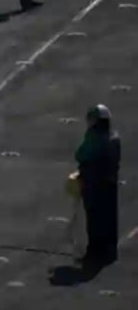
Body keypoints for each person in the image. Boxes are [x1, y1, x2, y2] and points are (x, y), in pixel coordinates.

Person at [74, 104, 121, 267]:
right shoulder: (114, 137)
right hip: (110, 183)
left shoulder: (94, 137)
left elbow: (81, 154)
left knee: (94, 220)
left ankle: (94, 253)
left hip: (94, 183)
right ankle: (109, 250)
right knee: (109, 218)